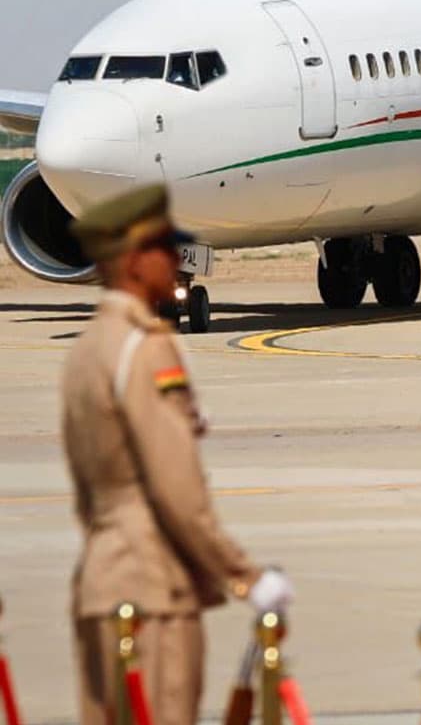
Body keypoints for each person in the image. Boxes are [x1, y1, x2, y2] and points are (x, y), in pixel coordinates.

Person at [60, 184, 293, 725]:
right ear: (136, 261)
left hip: (98, 585)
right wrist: (247, 577)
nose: (175, 261)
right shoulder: (147, 348)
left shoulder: (86, 350)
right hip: (153, 593)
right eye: (166, 249)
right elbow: (176, 490)